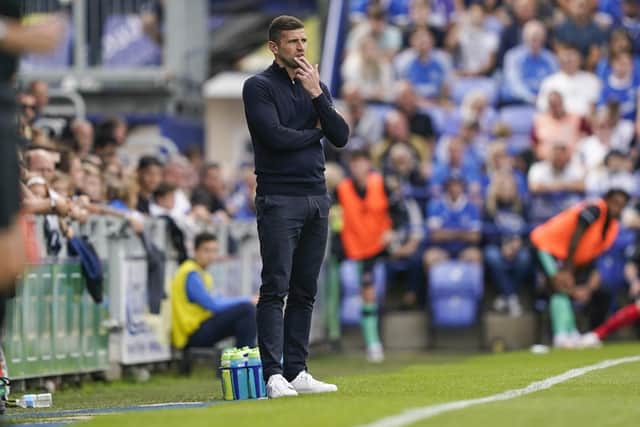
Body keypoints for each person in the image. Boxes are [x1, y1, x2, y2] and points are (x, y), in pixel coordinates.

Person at [242, 15, 349, 398]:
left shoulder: (313, 85)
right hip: (279, 197)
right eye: (292, 42)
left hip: (316, 196)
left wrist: (317, 95)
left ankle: (297, 369)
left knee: (305, 289)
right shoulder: (258, 87)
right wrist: (317, 129)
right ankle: (273, 375)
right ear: (274, 47)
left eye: (304, 40)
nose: (301, 47)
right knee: (276, 286)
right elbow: (275, 138)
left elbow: (341, 136)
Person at [530, 188, 629, 347]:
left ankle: (570, 330)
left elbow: (592, 251)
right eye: (615, 203)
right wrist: (568, 270)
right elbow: (576, 236)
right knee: (559, 286)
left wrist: (582, 280)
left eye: (621, 205)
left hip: (567, 258)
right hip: (546, 247)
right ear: (607, 200)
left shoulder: (611, 225)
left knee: (567, 288)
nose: (617, 208)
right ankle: (561, 334)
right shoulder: (594, 209)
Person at [337, 150, 392, 362]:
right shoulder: (341, 189)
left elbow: (397, 212)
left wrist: (392, 231)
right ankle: (371, 342)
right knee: (360, 293)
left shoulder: (381, 184)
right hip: (352, 250)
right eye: (354, 162)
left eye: (361, 161)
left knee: (371, 294)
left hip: (378, 249)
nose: (358, 167)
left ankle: (374, 341)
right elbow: (335, 219)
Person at [170, 233, 256, 352]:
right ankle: (244, 360)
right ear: (195, 251)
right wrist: (247, 299)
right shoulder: (190, 273)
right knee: (247, 310)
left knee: (246, 317)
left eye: (214, 251)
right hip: (191, 334)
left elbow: (217, 300)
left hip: (198, 328)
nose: (211, 255)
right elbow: (213, 305)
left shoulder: (201, 272)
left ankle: (244, 359)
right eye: (206, 250)